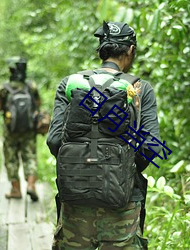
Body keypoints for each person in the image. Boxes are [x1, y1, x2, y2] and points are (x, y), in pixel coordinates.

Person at [47, 21, 161, 249]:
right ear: (130, 50)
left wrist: (80, 166)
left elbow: (54, 140)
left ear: (101, 50)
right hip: (123, 207)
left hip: (75, 203)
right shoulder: (140, 88)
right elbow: (150, 147)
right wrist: (123, 169)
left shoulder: (70, 84)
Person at [0, 57, 41, 202]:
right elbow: (38, 104)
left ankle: (16, 190)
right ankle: (31, 186)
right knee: (30, 157)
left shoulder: (4, 88)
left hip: (10, 131)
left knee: (11, 159)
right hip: (29, 129)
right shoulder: (31, 86)